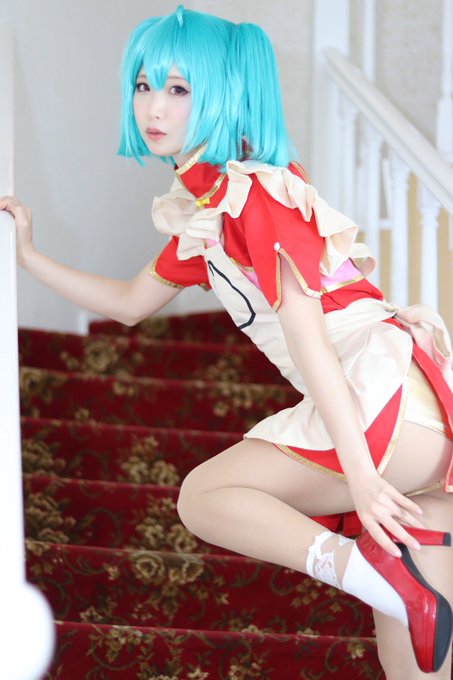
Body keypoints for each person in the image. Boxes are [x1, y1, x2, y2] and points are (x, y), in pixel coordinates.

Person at [2, 6, 453, 677]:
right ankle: (387, 577)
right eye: (144, 85)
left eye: (179, 89)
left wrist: (359, 475)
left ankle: (366, 570)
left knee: (205, 496)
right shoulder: (210, 216)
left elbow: (311, 342)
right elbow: (130, 304)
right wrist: (29, 257)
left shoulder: (251, 196)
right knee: (415, 659)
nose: (154, 106)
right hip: (424, 419)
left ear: (224, 95)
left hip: (378, 397)